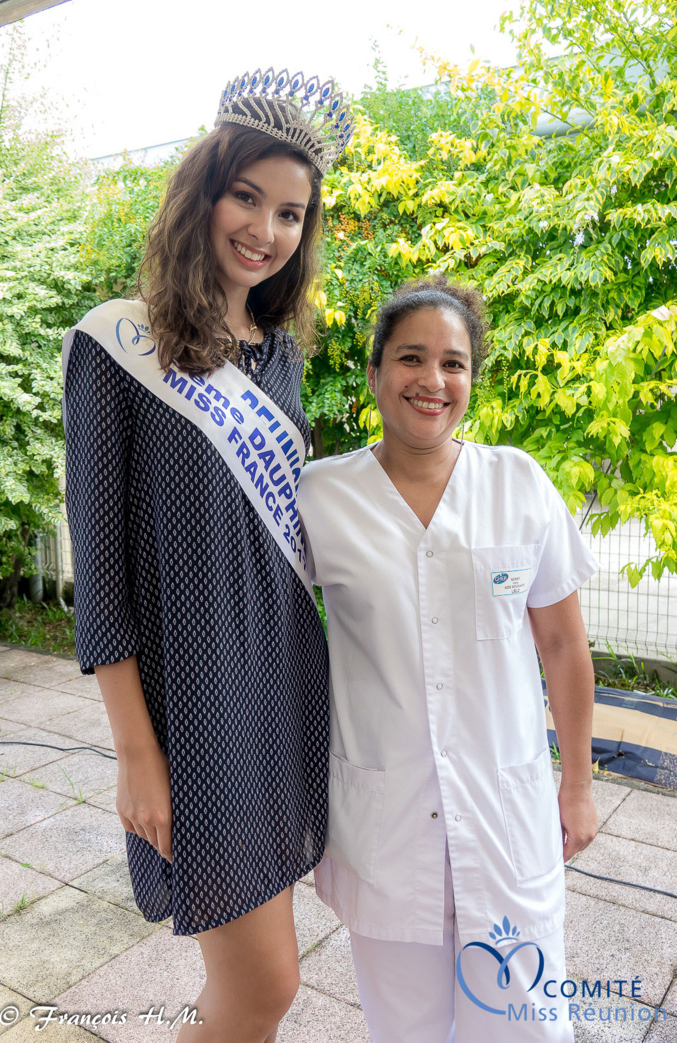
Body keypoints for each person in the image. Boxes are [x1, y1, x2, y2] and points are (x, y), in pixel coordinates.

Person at [63, 70, 352, 1043]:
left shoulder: (280, 353)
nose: (265, 229)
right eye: (246, 196)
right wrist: (137, 755)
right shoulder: (116, 343)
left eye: (289, 213)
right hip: (194, 708)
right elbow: (102, 578)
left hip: (280, 684)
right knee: (263, 985)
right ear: (202, 192)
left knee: (259, 982)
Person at [297, 274, 599, 1042]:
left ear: (470, 378)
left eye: (452, 363)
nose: (431, 379)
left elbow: (562, 644)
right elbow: (265, 633)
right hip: (387, 825)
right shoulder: (320, 496)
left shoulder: (517, 482)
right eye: (410, 358)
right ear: (374, 373)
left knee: (527, 1026)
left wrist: (576, 784)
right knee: (405, 1030)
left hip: (506, 818)